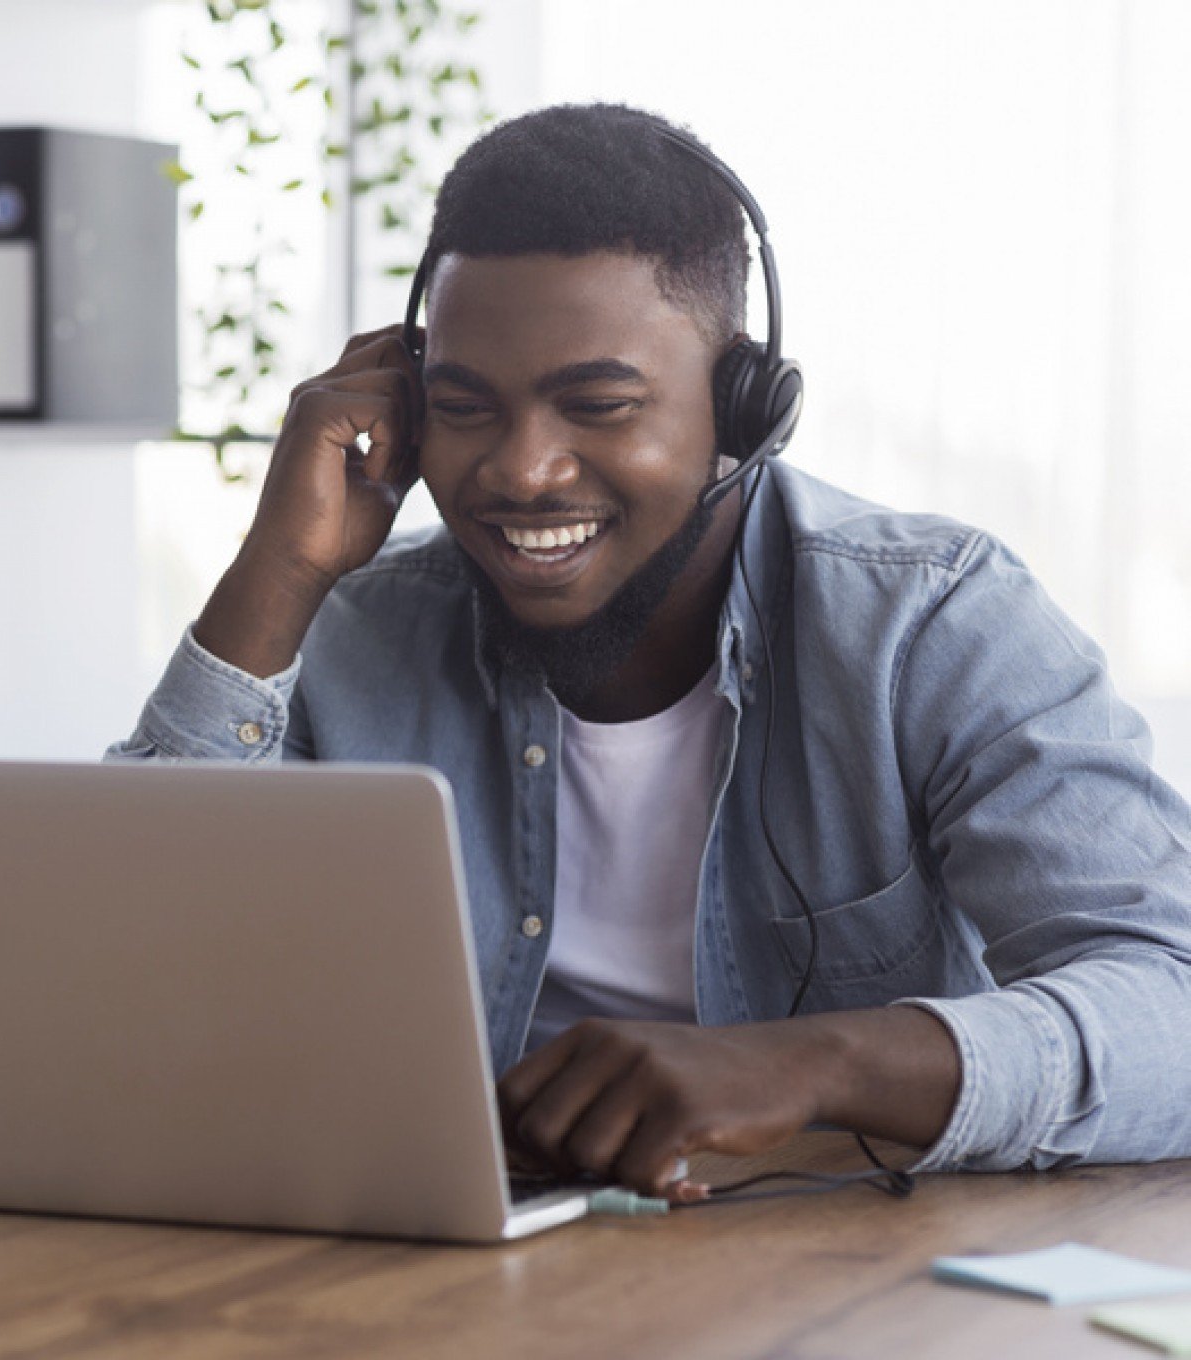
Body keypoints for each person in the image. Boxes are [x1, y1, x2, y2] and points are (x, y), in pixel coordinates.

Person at [110, 102, 1191, 1201]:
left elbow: (1174, 1003)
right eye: (465, 406)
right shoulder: (352, 628)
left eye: (598, 404)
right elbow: (114, 990)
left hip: (827, 1272)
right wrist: (278, 572)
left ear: (744, 408)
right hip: (451, 1262)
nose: (523, 470)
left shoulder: (932, 624)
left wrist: (818, 1061)